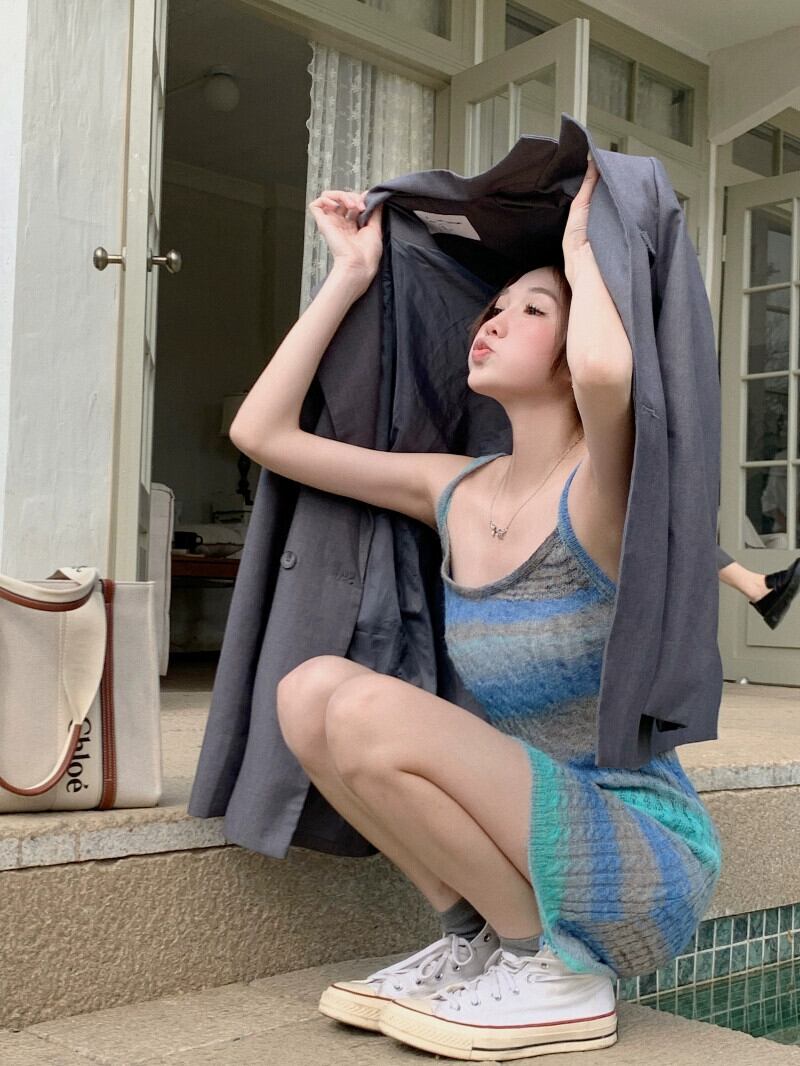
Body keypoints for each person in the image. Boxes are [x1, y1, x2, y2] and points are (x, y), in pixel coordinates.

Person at [229, 159, 722, 1060]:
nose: (494, 320)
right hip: (526, 827)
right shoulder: (454, 488)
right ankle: (480, 941)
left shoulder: (602, 489)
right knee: (309, 691)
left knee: (366, 708)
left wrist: (586, 246)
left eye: (534, 310)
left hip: (636, 854)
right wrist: (350, 272)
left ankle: (558, 973)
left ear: (573, 350)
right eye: (494, 307)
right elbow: (261, 435)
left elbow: (608, 374)